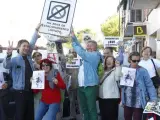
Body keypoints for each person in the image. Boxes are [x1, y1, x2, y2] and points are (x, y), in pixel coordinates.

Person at [3, 24, 41, 120]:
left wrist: (36, 31)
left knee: (29, 115)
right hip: (19, 93)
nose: (27, 48)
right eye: (24, 46)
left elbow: (32, 43)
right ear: (18, 47)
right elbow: (6, 65)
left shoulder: (29, 58)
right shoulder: (14, 59)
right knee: (20, 116)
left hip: (30, 91)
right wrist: (8, 54)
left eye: (27, 47)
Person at [71, 28, 101, 120]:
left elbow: (80, 51)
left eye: (91, 46)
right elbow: (80, 48)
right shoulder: (85, 55)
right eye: (87, 46)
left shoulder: (95, 55)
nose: (88, 47)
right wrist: (73, 37)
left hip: (90, 85)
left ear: (95, 48)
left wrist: (73, 43)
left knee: (91, 108)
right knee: (84, 108)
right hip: (81, 86)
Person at [121, 52, 157, 120]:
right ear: (130, 60)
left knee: (137, 118)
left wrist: (153, 98)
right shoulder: (125, 70)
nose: (136, 63)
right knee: (127, 117)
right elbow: (122, 86)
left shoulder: (143, 71)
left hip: (139, 100)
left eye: (138, 61)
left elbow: (150, 86)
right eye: (134, 61)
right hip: (127, 100)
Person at [99, 56, 121, 120]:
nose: (109, 61)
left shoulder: (116, 70)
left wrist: (118, 67)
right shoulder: (102, 71)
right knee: (103, 116)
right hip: (102, 97)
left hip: (112, 97)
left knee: (112, 116)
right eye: (107, 60)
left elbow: (117, 78)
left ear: (114, 62)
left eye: (111, 60)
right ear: (105, 62)